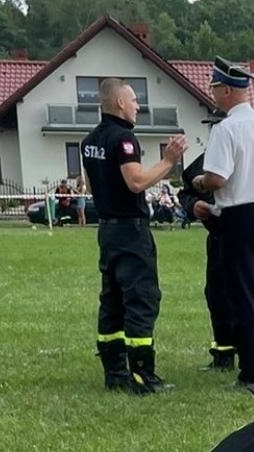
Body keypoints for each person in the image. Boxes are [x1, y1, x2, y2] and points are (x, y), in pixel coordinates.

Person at [192, 58, 254, 386]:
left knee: (245, 294)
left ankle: (252, 371)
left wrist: (199, 183)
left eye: (215, 89)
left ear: (225, 90)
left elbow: (218, 179)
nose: (213, 95)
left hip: (240, 215)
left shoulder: (226, 129)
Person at [81, 76, 186, 393]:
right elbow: (136, 182)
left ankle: (114, 373)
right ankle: (143, 374)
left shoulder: (89, 141)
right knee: (141, 298)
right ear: (119, 103)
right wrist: (169, 160)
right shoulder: (124, 139)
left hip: (108, 230)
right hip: (130, 230)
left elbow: (89, 185)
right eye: (134, 100)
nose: (138, 106)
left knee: (111, 299)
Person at [180, 151, 239, 372]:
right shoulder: (206, 161)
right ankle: (223, 354)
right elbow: (185, 192)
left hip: (252, 239)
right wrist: (193, 205)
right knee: (217, 295)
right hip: (219, 238)